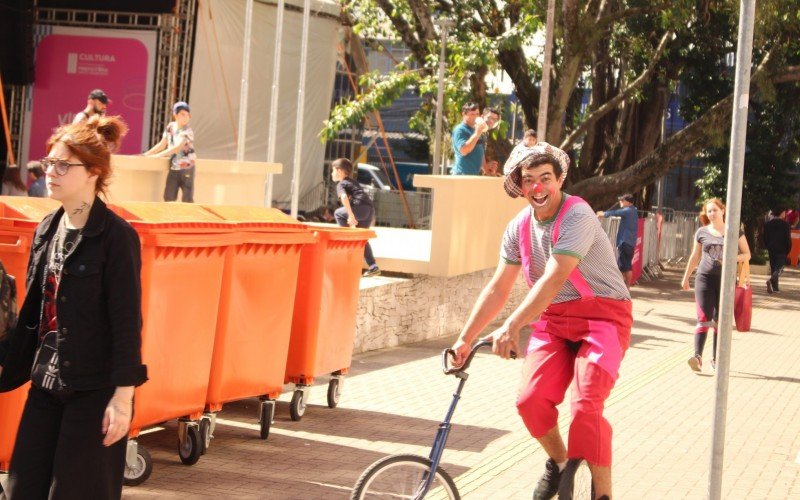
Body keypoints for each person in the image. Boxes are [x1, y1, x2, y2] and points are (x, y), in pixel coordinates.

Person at [450, 143, 631, 500]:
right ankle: (560, 463)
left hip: (604, 318)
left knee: (585, 406)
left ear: (560, 179)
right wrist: (465, 339)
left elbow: (554, 277)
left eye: (545, 178)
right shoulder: (518, 227)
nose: (537, 187)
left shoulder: (578, 215)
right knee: (529, 401)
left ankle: (603, 496)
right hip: (554, 321)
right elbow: (498, 288)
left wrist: (512, 326)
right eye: (528, 180)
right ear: (519, 185)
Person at [0, 115, 148, 499]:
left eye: (64, 165)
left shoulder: (117, 238)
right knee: (22, 489)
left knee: (77, 492)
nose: (52, 171)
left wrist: (122, 399)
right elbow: (35, 314)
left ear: (94, 172)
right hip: (45, 385)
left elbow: (127, 323)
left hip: (94, 390)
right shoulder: (47, 227)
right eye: (50, 162)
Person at [681, 198, 750, 373]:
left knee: (720, 321)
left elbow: (747, 254)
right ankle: (697, 357)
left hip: (726, 282)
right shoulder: (702, 232)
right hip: (704, 279)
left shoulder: (734, 231)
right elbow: (695, 256)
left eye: (715, 210)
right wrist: (686, 277)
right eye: (709, 211)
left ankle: (716, 359)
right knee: (704, 319)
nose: (711, 214)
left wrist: (731, 258)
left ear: (723, 210)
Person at [331, 158, 380, 277]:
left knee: (338, 213)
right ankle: (373, 266)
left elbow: (343, 197)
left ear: (339, 171)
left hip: (359, 208)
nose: (332, 174)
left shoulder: (341, 183)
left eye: (332, 171)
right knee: (361, 239)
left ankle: (346, 239)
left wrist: (351, 214)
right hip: (369, 210)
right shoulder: (353, 182)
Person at [144, 101, 197, 203]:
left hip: (187, 168)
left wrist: (157, 156)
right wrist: (147, 154)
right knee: (169, 196)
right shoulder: (170, 127)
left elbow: (177, 148)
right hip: (173, 167)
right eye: (183, 114)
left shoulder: (188, 131)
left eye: (188, 115)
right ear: (175, 115)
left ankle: (188, 218)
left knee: (187, 199)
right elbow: (162, 144)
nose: (186, 117)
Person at [597, 194, 638, 288]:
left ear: (628, 202)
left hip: (625, 241)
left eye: (622, 201)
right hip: (630, 242)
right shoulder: (634, 210)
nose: (620, 202)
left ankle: (625, 287)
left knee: (625, 266)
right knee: (625, 265)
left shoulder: (627, 211)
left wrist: (603, 214)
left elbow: (615, 212)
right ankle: (624, 286)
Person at [451, 103, 499, 176]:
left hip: (474, 176)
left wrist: (487, 170)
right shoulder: (460, 129)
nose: (475, 117)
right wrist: (477, 133)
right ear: (464, 114)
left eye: (477, 114)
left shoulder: (477, 130)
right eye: (472, 114)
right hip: (461, 175)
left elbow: (480, 152)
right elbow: (463, 150)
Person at [763, 207, 791, 293]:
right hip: (782, 249)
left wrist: (768, 246)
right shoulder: (785, 225)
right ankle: (771, 281)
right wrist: (788, 248)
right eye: (784, 212)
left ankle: (775, 288)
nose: (785, 214)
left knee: (773, 267)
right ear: (781, 213)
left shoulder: (768, 224)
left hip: (771, 248)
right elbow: (787, 238)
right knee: (780, 268)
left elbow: (765, 237)